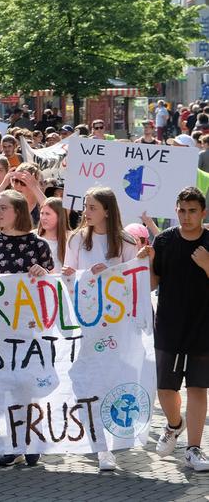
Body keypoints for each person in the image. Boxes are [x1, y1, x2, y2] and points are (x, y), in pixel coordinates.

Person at [0, 189, 54, 468]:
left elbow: (55, 284)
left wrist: (45, 275)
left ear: (18, 212)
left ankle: (32, 441)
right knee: (8, 386)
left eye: (3, 208)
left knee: (28, 385)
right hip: (0, 328)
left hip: (31, 328)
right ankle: (14, 444)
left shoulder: (39, 245)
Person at [141, 187, 209, 470]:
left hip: (203, 326)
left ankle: (194, 449)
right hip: (168, 324)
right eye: (181, 210)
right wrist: (145, 264)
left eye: (192, 211)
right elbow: (153, 284)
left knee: (197, 388)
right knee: (165, 389)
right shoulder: (165, 240)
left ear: (203, 213)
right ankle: (173, 425)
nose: (186, 216)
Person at [36, 197, 71, 270]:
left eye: (47, 214)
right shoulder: (33, 237)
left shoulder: (72, 238)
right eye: (42, 213)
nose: (43, 217)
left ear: (60, 216)